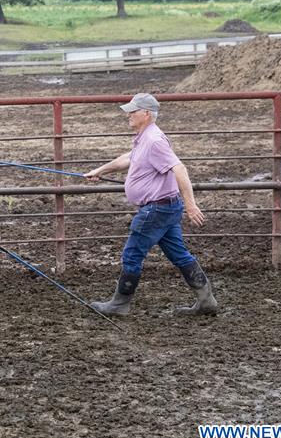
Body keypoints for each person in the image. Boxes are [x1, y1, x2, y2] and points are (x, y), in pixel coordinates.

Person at [83, 92, 218, 317]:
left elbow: (180, 169)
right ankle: (206, 300)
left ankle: (119, 304)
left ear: (146, 114)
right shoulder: (145, 137)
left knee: (132, 254)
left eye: (133, 111)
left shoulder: (154, 140)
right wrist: (100, 170)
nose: (128, 114)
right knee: (179, 254)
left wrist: (191, 205)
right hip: (165, 208)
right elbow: (129, 158)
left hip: (156, 209)